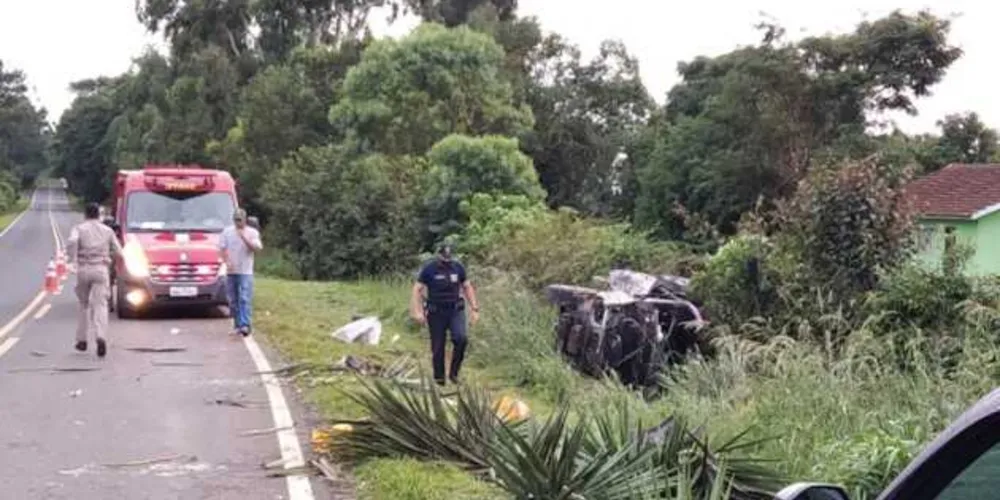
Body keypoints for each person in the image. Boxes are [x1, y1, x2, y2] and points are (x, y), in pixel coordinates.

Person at [410, 243, 480, 386]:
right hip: (436, 312)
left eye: (448, 259)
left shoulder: (458, 267)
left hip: (455, 310)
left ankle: (454, 374)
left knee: (461, 339)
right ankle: (439, 379)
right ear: (438, 256)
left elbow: (467, 286)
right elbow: (417, 289)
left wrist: (474, 308)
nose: (446, 262)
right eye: (443, 259)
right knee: (438, 347)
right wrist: (416, 311)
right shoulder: (429, 269)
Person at [66, 203, 123, 358]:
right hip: (100, 269)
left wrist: (73, 259)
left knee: (84, 305)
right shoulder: (107, 230)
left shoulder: (79, 228)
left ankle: (82, 340)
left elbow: (72, 242)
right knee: (100, 305)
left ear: (85, 214)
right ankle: (100, 336)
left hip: (83, 269)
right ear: (99, 215)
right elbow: (118, 250)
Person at [219, 208, 262, 336]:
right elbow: (222, 248)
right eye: (236, 220)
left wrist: (243, 237)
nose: (238, 223)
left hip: (245, 271)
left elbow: (257, 248)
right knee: (232, 300)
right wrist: (227, 261)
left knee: (244, 298)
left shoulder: (252, 232)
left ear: (245, 220)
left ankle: (245, 325)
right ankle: (237, 324)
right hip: (232, 270)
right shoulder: (227, 232)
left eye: (240, 220)